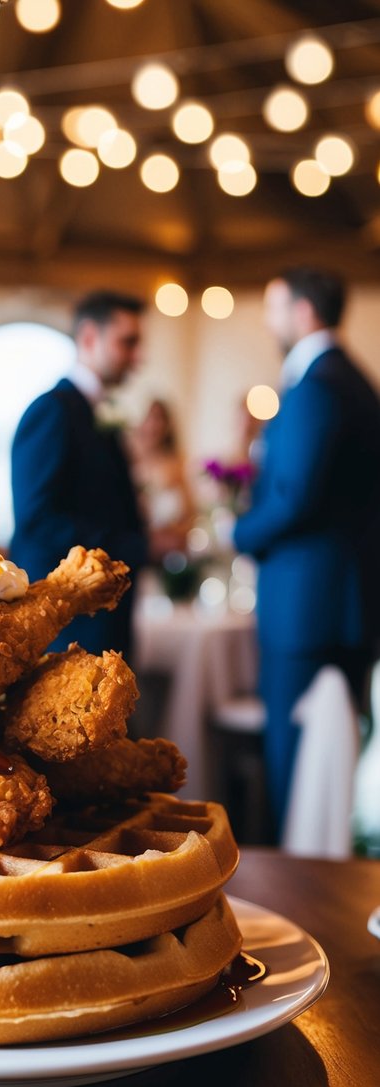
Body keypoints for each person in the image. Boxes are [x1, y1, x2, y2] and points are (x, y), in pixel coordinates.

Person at [234, 267, 380, 834]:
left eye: (274, 308)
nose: (270, 323)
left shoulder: (315, 387)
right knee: (329, 765)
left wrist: (237, 534)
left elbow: (294, 496)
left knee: (295, 769)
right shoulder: (356, 380)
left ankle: (290, 902)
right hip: (345, 604)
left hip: (308, 609)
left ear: (302, 312)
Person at [10, 291, 149, 658]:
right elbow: (36, 520)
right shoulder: (52, 412)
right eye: (127, 343)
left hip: (106, 615)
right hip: (70, 622)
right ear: (89, 337)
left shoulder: (98, 413)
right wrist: (135, 545)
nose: (138, 357)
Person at [127, 398, 195, 558]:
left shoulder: (176, 464)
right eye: (151, 418)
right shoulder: (129, 460)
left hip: (169, 548)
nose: (154, 425)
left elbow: (190, 512)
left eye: (160, 419)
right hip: (137, 544)